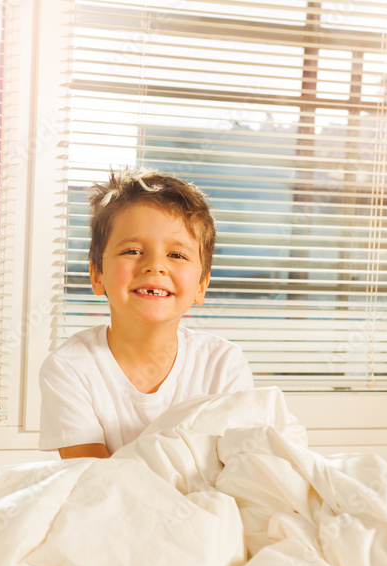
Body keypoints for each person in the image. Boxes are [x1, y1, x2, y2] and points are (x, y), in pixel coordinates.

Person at [39, 168, 254, 459]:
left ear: (202, 285)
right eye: (132, 251)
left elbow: (241, 468)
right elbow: (93, 480)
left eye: (176, 255)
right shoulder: (70, 368)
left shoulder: (223, 364)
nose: (155, 266)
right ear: (97, 274)